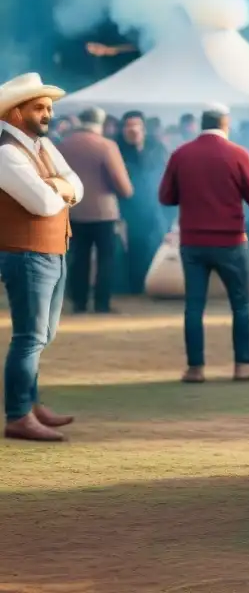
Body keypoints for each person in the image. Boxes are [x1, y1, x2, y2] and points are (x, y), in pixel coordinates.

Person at [0, 73, 83, 441]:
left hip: (50, 250)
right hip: (28, 253)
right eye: (39, 107)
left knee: (42, 335)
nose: (48, 113)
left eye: (48, 107)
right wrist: (61, 188)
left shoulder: (41, 147)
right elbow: (44, 202)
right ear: (16, 114)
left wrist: (59, 187)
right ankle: (18, 414)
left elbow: (76, 186)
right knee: (30, 336)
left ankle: (29, 404)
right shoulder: (6, 152)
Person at [158, 104, 249, 383]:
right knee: (240, 305)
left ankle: (195, 368)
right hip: (231, 241)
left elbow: (166, 197)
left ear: (200, 123)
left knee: (194, 307)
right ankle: (242, 366)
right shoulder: (239, 154)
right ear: (225, 123)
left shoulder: (181, 154)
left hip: (193, 242)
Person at [57, 107, 134, 313]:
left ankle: (79, 302)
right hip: (103, 212)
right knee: (105, 259)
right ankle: (102, 303)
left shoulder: (63, 145)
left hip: (73, 211)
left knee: (78, 257)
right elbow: (123, 186)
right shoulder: (106, 146)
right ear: (99, 123)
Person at [117, 110, 170, 294]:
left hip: (155, 206)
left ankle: (154, 283)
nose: (132, 129)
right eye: (128, 125)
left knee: (155, 245)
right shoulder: (116, 149)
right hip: (128, 208)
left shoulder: (157, 148)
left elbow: (167, 175)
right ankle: (134, 286)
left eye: (136, 125)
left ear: (143, 128)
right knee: (133, 248)